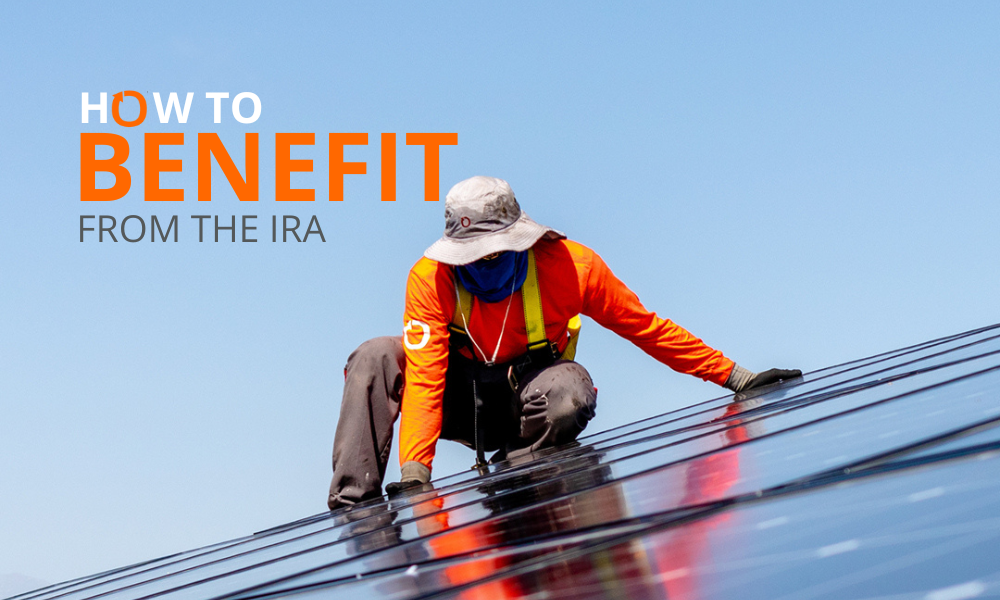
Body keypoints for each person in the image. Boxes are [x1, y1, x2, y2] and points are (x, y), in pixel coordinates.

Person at [327, 175, 800, 510]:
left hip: (524, 406)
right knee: (374, 356)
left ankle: (520, 479)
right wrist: (415, 478)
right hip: (459, 398)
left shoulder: (571, 267)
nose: (481, 264)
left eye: (491, 253)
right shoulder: (430, 279)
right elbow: (427, 376)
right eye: (470, 256)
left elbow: (645, 327)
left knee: (570, 392)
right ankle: (353, 510)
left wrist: (735, 376)